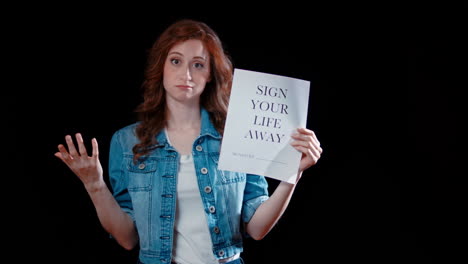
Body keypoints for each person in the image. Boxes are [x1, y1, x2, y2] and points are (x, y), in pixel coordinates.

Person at [54, 19, 323, 264]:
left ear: (210, 74)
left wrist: (292, 174)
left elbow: (257, 229)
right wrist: (94, 185)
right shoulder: (126, 141)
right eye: (175, 61)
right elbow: (127, 239)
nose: (186, 74)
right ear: (160, 67)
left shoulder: (238, 134)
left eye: (198, 64)